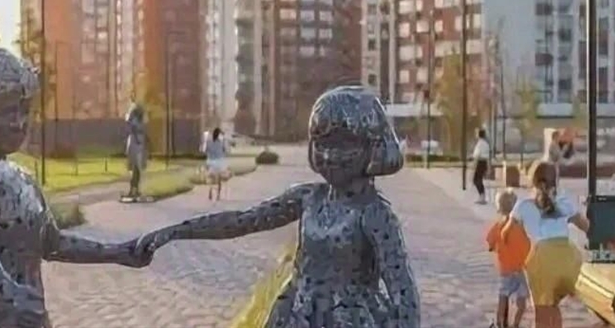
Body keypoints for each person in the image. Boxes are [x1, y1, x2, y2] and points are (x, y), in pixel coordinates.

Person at [135, 86, 420, 327]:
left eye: (344, 144)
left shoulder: (375, 214)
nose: (329, 155)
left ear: (374, 146)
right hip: (296, 314)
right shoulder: (309, 197)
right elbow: (242, 221)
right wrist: (172, 232)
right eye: (322, 143)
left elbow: (405, 298)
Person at [0, 48, 148, 328]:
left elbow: (53, 244)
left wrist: (117, 252)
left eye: (24, 110)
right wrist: (10, 293)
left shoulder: (22, 178)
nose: (19, 122)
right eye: (5, 112)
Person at [504, 161, 590, 328]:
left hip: (542, 261)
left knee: (542, 311)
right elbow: (586, 227)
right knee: (553, 306)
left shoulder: (523, 205)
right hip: (568, 260)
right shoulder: (565, 202)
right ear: (556, 181)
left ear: (532, 180)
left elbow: (507, 233)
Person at [485, 189, 531, 328]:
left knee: (503, 297)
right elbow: (528, 246)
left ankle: (500, 323)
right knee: (522, 301)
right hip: (520, 269)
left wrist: (493, 247)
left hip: (505, 270)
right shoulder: (521, 228)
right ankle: (515, 324)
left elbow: (489, 241)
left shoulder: (498, 226)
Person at [204, 127, 229, 201]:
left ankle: (210, 191)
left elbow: (206, 150)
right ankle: (218, 195)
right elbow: (225, 150)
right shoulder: (221, 142)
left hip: (211, 161)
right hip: (219, 162)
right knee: (219, 180)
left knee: (211, 178)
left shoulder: (209, 141)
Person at [471, 128, 493, 205]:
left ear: (478, 134)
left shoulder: (480, 144)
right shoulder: (486, 143)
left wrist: (474, 165)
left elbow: (477, 155)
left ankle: (482, 196)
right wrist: (488, 167)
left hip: (480, 162)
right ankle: (482, 196)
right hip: (483, 162)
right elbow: (488, 156)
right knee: (479, 179)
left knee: (476, 179)